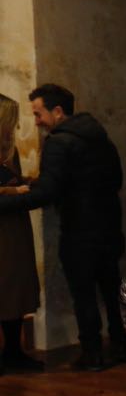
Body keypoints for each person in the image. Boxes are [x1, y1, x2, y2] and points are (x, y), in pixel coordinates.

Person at [0, 84, 125, 371]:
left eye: (38, 113)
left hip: (79, 230)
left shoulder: (58, 142)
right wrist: (30, 183)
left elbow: (48, 192)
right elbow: (114, 180)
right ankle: (119, 345)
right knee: (109, 289)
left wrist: (10, 200)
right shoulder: (99, 137)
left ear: (57, 111)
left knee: (83, 295)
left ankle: (92, 354)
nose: (36, 121)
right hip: (108, 227)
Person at [0, 93, 43, 375]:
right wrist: (14, 190)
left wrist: (28, 182)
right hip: (4, 226)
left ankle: (14, 351)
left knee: (16, 288)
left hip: (13, 226)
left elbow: (11, 177)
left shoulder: (8, 148)